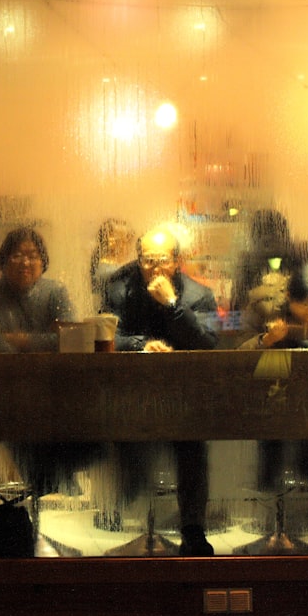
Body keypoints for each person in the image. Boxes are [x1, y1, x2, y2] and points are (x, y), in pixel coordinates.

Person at [101, 224, 219, 556]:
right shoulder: (119, 290)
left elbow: (208, 343)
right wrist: (141, 345)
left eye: (162, 260)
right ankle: (127, 514)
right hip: (132, 390)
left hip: (184, 393)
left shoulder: (198, 294)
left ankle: (193, 528)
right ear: (137, 261)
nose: (154, 268)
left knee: (193, 449)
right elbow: (106, 337)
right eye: (147, 260)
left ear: (177, 261)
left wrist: (172, 305)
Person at [0, 227, 100, 503]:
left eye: (32, 255)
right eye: (17, 255)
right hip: (7, 388)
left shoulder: (55, 291)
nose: (25, 262)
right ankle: (47, 486)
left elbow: (69, 338)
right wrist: (35, 354)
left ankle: (53, 483)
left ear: (43, 261)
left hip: (56, 386)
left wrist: (23, 341)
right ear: (3, 261)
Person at [240, 262, 308, 493]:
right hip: (272, 385)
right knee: (274, 416)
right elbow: (238, 354)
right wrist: (267, 340)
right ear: (288, 295)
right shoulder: (265, 309)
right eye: (304, 304)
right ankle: (269, 485)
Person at [89, 218, 135, 306]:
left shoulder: (129, 262)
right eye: (116, 238)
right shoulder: (104, 267)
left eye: (126, 238)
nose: (122, 243)